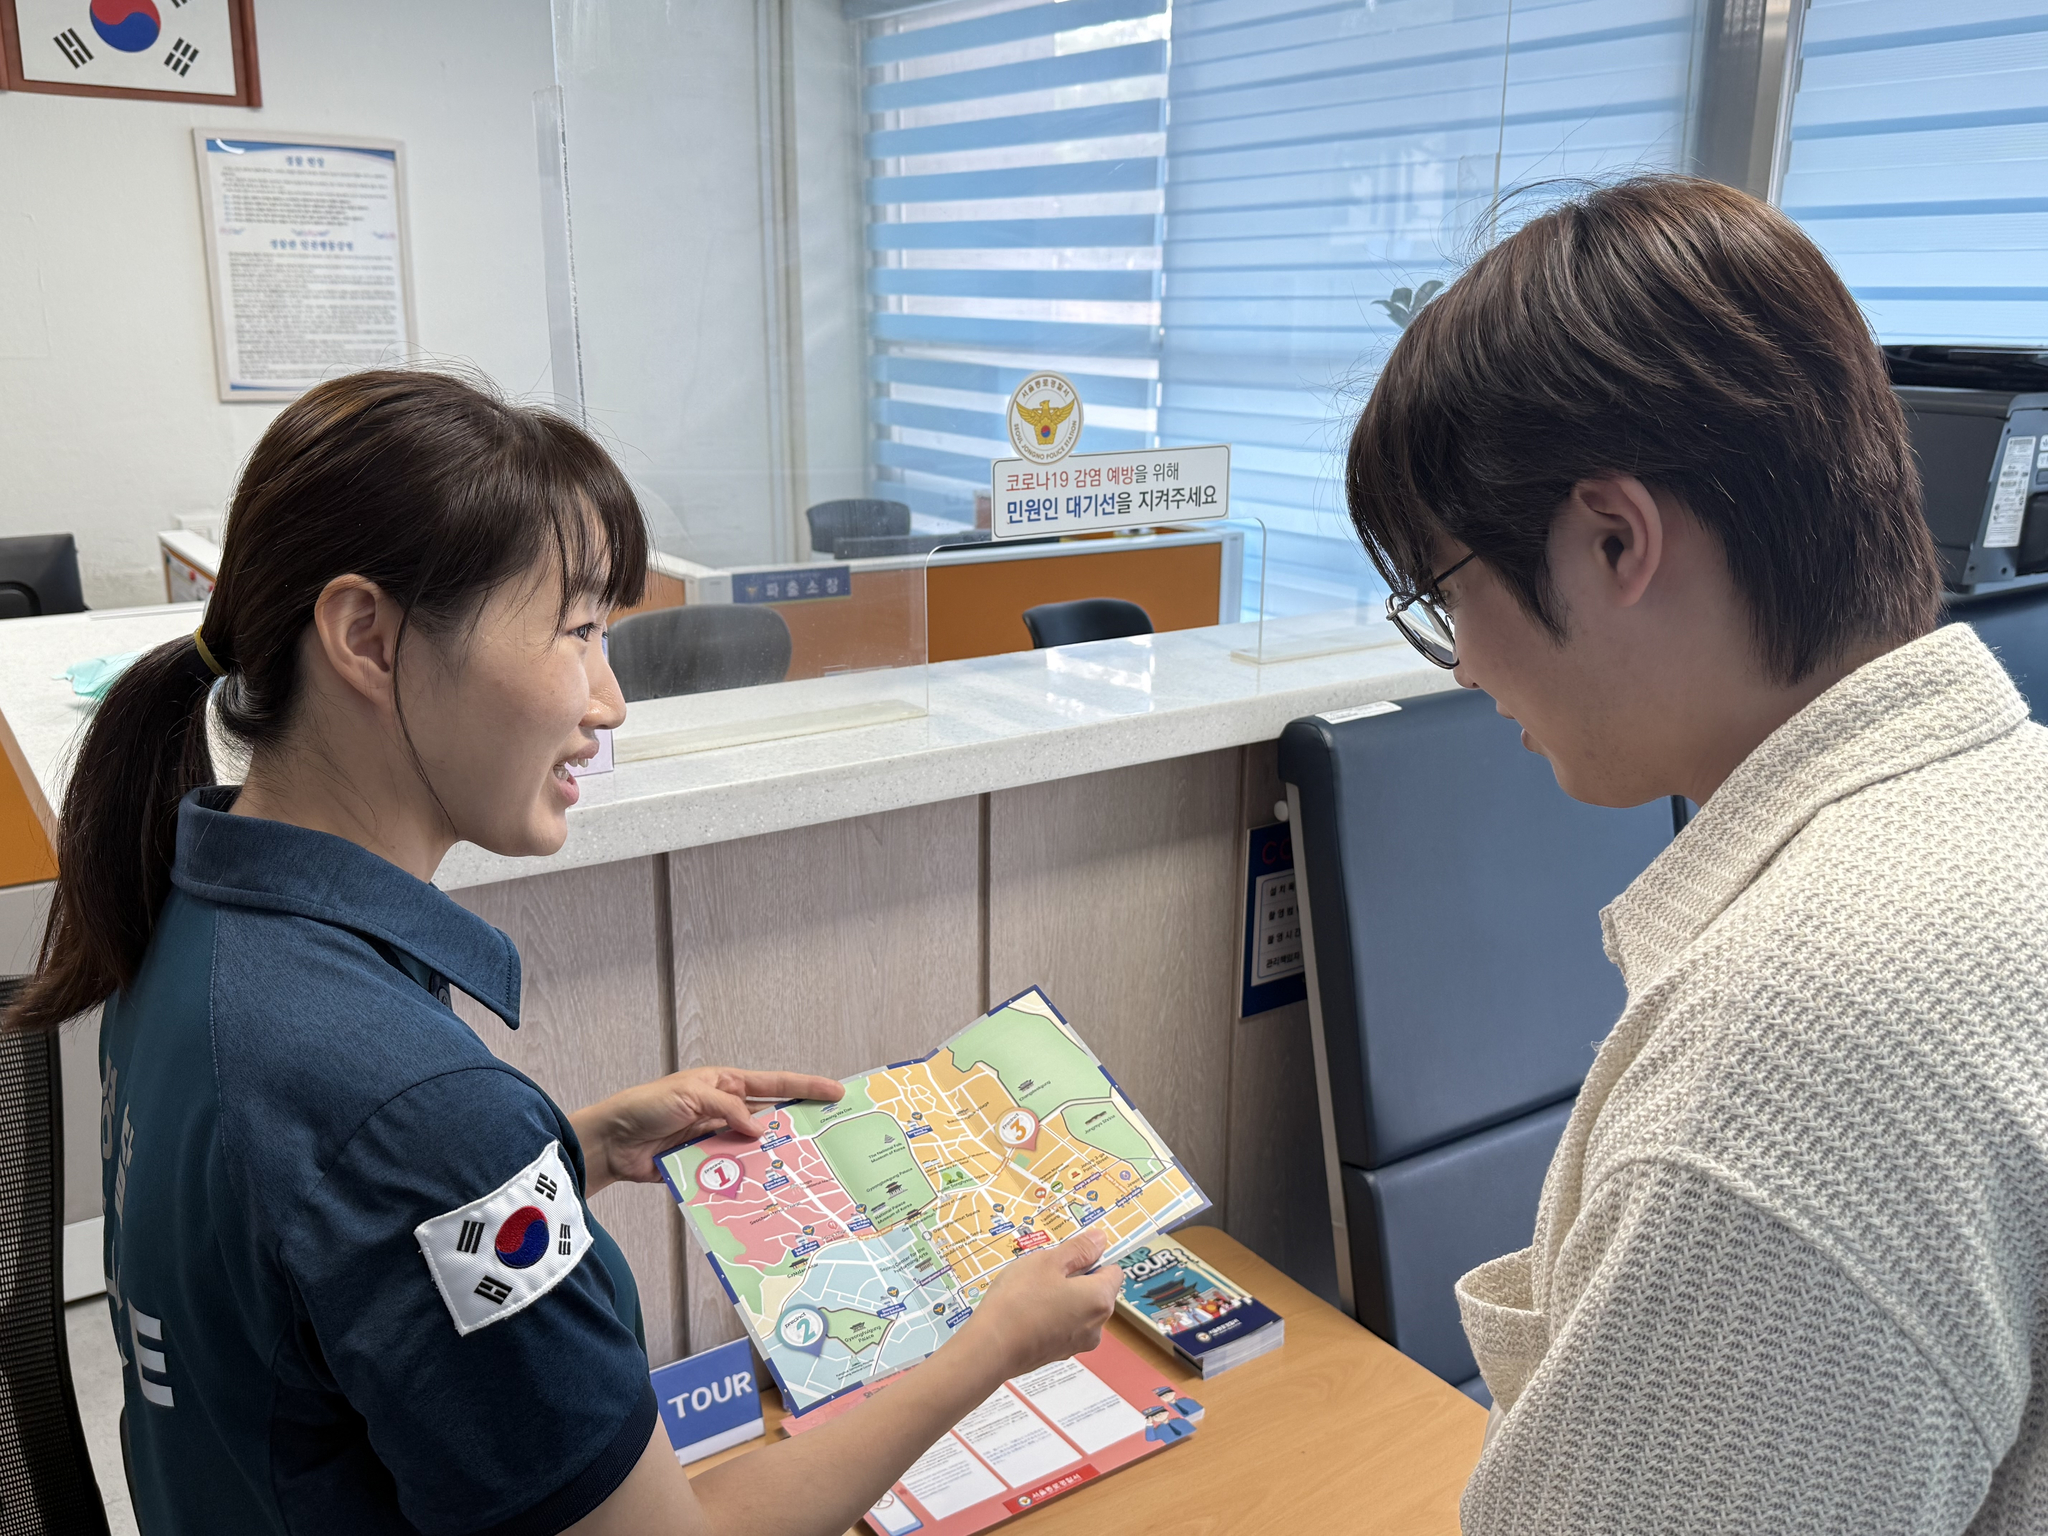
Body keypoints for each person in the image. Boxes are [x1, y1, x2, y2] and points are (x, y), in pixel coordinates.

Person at [6, 370, 1122, 1535]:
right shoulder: (420, 1119)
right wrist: (991, 1342)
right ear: (365, 637)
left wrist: (571, 1145)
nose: (610, 700)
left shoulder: (187, 925)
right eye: (579, 631)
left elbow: (320, 1261)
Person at [1348, 176, 2048, 1532]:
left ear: (1614, 539)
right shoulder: (2012, 800)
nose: (1469, 667)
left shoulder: (1799, 1049)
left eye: (1445, 596)